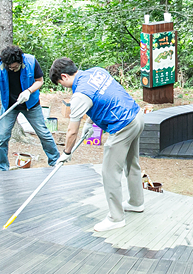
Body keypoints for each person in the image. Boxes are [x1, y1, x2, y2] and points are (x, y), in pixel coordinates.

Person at [49, 57, 145, 232]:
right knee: (132, 163)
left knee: (109, 172)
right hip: (136, 116)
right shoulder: (96, 72)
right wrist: (89, 123)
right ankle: (136, 202)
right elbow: (104, 97)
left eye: (60, 83)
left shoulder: (79, 95)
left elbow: (71, 131)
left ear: (64, 76)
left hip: (122, 126)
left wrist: (67, 152)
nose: (63, 87)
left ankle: (116, 218)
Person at [0, 45, 60, 171]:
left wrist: (28, 91)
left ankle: (55, 161)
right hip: (9, 106)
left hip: (30, 104)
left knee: (43, 133)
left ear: (21, 61)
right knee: (2, 137)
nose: (12, 69)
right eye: (9, 67)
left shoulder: (31, 61)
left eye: (15, 66)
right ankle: (1, 167)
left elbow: (40, 81)